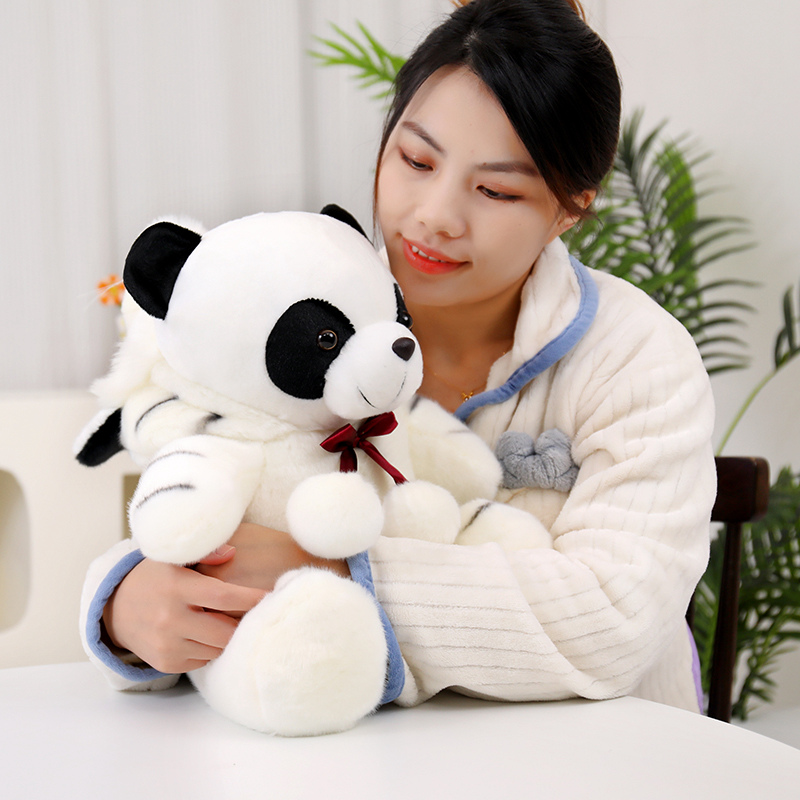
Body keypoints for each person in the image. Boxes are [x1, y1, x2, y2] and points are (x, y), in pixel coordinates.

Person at [81, 0, 716, 712]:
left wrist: (334, 571)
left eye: (495, 190)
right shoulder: (291, 308)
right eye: (416, 160)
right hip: (358, 755)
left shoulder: (636, 356)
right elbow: (212, 482)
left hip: (604, 756)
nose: (434, 215)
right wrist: (125, 602)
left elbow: (611, 620)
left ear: (569, 208)